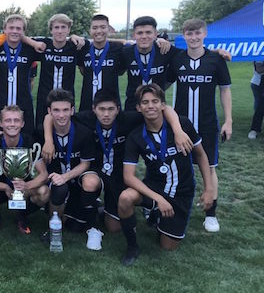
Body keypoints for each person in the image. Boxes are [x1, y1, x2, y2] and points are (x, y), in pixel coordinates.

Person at [44, 89, 194, 234]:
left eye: (110, 109)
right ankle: (88, 219)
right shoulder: (87, 118)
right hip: (96, 171)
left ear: (118, 109)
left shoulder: (128, 119)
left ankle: (101, 211)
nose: (106, 114)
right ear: (94, 109)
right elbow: (51, 116)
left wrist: (178, 129)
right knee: (90, 183)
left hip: (118, 175)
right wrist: (49, 140)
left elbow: (165, 108)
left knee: (114, 228)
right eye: (102, 109)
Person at [120, 84, 213, 266]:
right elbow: (128, 177)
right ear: (139, 108)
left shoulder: (182, 125)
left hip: (182, 192)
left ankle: (157, 216)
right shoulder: (136, 136)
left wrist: (209, 189)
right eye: (145, 103)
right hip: (155, 188)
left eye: (155, 101)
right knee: (125, 197)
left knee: (167, 247)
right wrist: (158, 199)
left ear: (163, 105)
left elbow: (201, 155)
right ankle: (132, 246)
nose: (150, 106)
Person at [168, 18, 232, 233]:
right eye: (189, 33)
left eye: (197, 33)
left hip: (207, 123)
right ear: (183, 35)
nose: (193, 37)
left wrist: (228, 120)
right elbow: (164, 81)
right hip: (181, 125)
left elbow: (225, 90)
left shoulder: (216, 59)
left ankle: (211, 213)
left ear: (204, 34)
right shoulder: (177, 59)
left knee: (210, 168)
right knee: (178, 166)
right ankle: (175, 206)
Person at [0, 105, 49, 233]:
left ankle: (22, 215)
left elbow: (44, 174)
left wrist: (27, 185)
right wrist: (4, 187)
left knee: (44, 191)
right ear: (0, 123)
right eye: (8, 120)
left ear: (22, 123)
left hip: (23, 191)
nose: (12, 124)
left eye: (16, 120)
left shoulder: (30, 142)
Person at [39, 89, 101, 249]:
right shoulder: (42, 132)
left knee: (75, 227)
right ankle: (52, 227)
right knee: (59, 188)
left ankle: (91, 213)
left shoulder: (83, 132)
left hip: (76, 179)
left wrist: (65, 176)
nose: (61, 115)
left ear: (72, 110)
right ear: (49, 112)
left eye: (66, 110)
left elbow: (85, 164)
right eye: (56, 110)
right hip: (57, 184)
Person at [33, 14, 85, 136]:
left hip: (66, 100)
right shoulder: (44, 45)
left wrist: (75, 36)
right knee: (41, 133)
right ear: (51, 30)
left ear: (69, 29)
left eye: (63, 27)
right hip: (44, 99)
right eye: (56, 27)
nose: (60, 31)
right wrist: (34, 44)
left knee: (66, 133)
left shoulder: (75, 46)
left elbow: (102, 41)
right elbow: (22, 38)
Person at [0, 15, 43, 134]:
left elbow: (50, 45)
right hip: (1, 105)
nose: (14, 31)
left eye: (18, 28)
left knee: (25, 144)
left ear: (23, 31)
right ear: (4, 30)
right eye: (11, 28)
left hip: (24, 106)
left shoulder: (30, 49)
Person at [77, 14, 125, 112]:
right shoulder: (83, 49)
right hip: (86, 105)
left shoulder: (118, 49)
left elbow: (121, 71)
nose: (99, 31)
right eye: (95, 28)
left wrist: (160, 40)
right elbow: (83, 70)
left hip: (111, 107)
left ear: (108, 29)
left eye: (103, 27)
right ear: (90, 30)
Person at [248, 60, 264, 139]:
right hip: (259, 83)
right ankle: (254, 129)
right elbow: (259, 69)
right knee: (260, 107)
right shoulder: (260, 52)